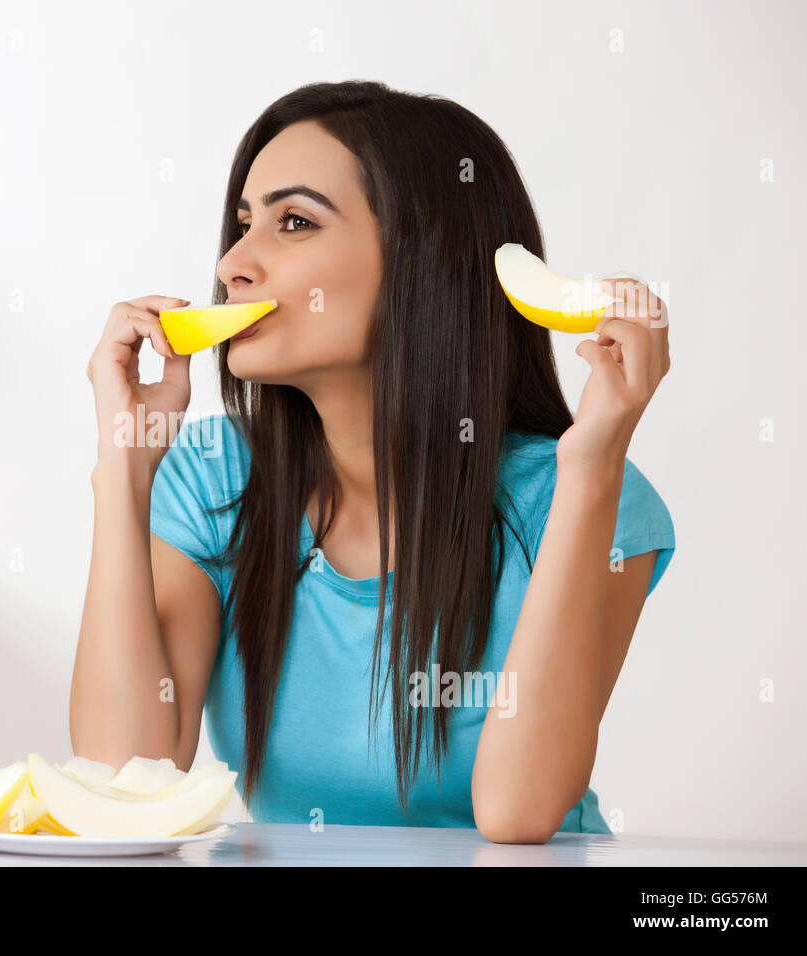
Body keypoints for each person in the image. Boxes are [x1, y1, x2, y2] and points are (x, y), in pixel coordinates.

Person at [73, 80, 674, 844]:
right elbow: (122, 778)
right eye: (243, 224)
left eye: (293, 222)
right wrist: (124, 471)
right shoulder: (216, 478)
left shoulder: (587, 496)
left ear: (424, 260)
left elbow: (517, 813)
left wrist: (591, 473)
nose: (233, 263)